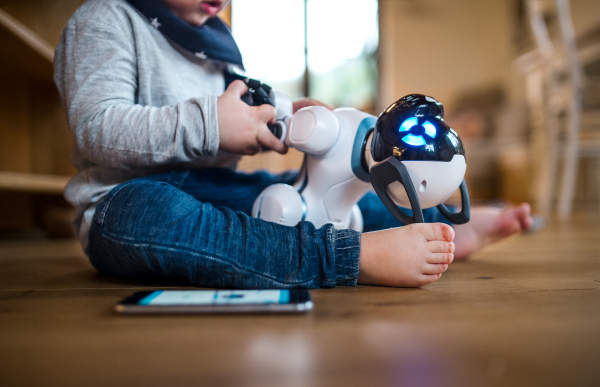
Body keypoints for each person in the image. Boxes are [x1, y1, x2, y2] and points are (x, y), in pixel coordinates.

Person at [54, 0, 533, 289]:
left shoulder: (207, 37)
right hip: (122, 202)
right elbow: (97, 127)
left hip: (213, 185)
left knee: (297, 190)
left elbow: (252, 99)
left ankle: (438, 222)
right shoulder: (103, 20)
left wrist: (290, 113)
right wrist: (211, 126)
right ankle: (349, 256)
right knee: (157, 213)